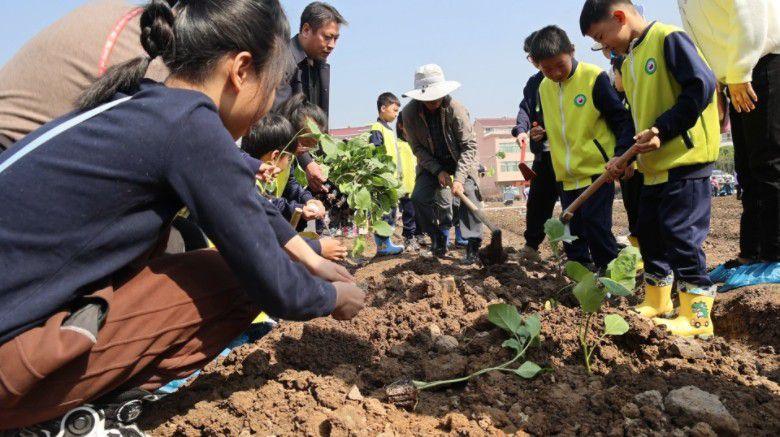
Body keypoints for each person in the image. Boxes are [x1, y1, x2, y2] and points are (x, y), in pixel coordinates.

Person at [0, 0, 365, 433]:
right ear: (242, 70)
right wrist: (335, 298)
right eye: (273, 84)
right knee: (234, 277)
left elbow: (245, 204)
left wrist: (317, 261)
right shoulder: (189, 124)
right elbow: (276, 287)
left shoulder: (144, 100)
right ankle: (66, 415)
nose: (270, 101)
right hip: (10, 368)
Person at [582, 0, 721, 336]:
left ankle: (698, 316)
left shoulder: (668, 38)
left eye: (603, 37)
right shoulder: (628, 62)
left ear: (619, 17)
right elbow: (634, 119)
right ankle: (659, 300)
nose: (605, 47)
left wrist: (663, 129)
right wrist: (624, 157)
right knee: (649, 234)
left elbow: (701, 85)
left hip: (686, 161)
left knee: (681, 235)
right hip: (654, 167)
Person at [678, 0, 780, 278]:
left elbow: (750, 9)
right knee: (747, 170)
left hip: (762, 63)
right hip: (738, 74)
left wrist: (739, 71)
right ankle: (752, 255)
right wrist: (720, 80)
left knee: (768, 163)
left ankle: (775, 256)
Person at [530, 25, 634, 271]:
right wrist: (539, 134)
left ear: (572, 51)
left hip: (597, 173)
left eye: (560, 65)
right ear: (536, 65)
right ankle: (582, 279)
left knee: (596, 227)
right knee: (572, 233)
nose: (555, 73)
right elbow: (559, 124)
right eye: (546, 69)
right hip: (566, 176)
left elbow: (621, 120)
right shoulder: (543, 88)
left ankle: (610, 276)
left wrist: (621, 156)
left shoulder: (593, 78)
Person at [401, 64, 483, 264]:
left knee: (469, 195)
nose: (433, 101)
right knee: (419, 197)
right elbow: (417, 149)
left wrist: (460, 178)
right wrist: (438, 171)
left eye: (436, 96)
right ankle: (436, 236)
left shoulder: (456, 109)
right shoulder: (409, 114)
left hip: (460, 160)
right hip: (431, 164)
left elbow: (469, 146)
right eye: (428, 98)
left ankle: (473, 244)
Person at [241, 114, 347, 261]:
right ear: (275, 156)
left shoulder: (273, 166)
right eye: (290, 157)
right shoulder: (247, 179)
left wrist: (309, 200)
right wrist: (317, 247)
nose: (291, 161)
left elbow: (292, 186)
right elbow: (269, 207)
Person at [273, 1, 347, 194]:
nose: (331, 45)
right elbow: (280, 117)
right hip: (278, 162)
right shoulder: (283, 60)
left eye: (336, 39)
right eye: (327, 37)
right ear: (306, 30)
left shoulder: (317, 65)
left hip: (304, 165)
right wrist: (306, 162)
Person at [512, 30, 557, 262]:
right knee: (538, 201)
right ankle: (531, 246)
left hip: (573, 155)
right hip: (545, 156)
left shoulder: (575, 77)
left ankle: (580, 253)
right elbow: (525, 109)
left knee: (577, 206)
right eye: (532, 58)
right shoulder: (534, 83)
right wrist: (522, 130)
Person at [369, 92, 417, 255]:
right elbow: (376, 154)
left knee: (391, 213)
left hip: (391, 181)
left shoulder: (388, 130)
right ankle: (383, 246)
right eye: (394, 110)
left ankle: (386, 243)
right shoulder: (377, 129)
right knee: (384, 214)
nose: (397, 114)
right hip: (383, 180)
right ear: (383, 108)